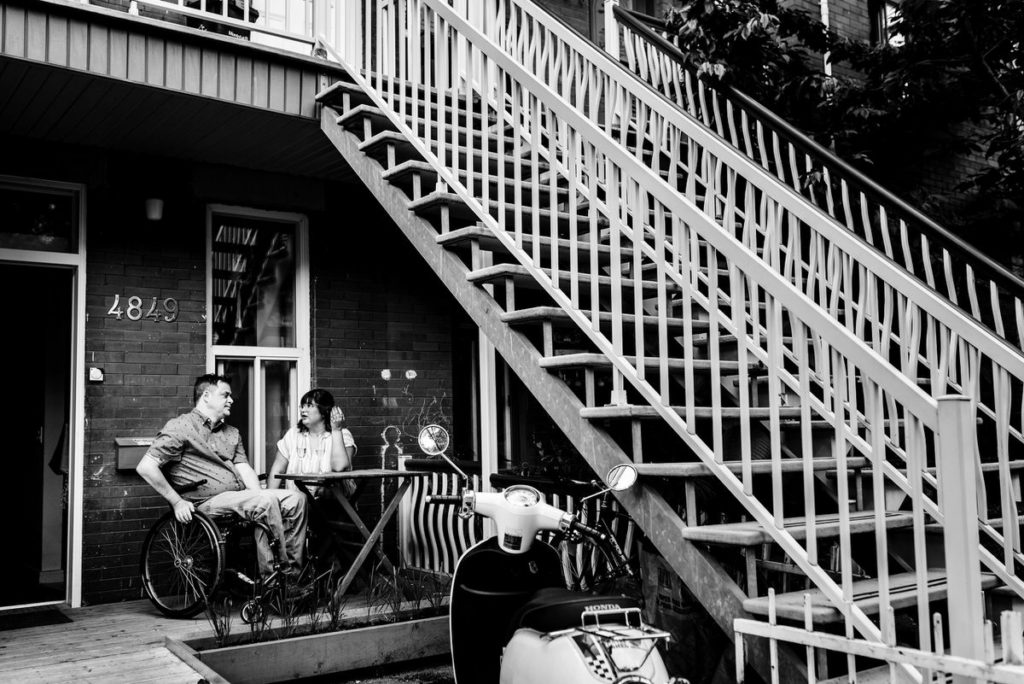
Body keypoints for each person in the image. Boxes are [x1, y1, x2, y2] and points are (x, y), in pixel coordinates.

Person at [136, 373, 308, 580]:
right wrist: (177, 502)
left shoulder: (232, 432)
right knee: (264, 500)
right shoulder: (180, 426)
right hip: (204, 503)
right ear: (206, 396)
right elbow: (146, 467)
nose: (231, 400)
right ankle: (278, 579)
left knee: (296, 499)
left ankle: (295, 575)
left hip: (236, 497)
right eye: (225, 395)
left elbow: (244, 469)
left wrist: (258, 497)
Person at [267, 388, 357, 493]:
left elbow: (339, 467)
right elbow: (278, 469)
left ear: (324, 411)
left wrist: (336, 430)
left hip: (333, 502)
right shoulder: (293, 434)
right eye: (302, 406)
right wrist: (269, 498)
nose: (303, 410)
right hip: (298, 503)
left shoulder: (343, 435)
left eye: (309, 406)